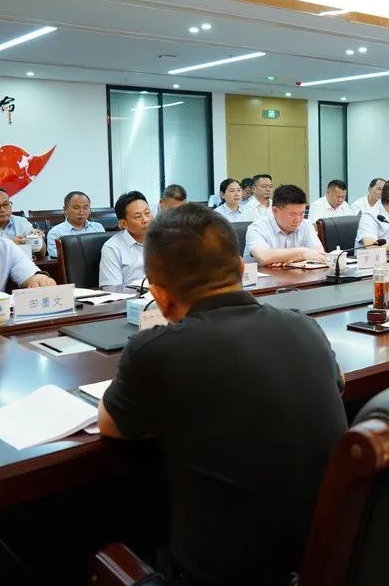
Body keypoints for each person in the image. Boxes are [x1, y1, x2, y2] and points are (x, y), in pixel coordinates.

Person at [98, 204, 347, 585]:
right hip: (327, 559)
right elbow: (339, 382)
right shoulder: (303, 327)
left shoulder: (156, 350)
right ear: (242, 270)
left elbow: (110, 424)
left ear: (159, 296)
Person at [245, 185, 329, 267]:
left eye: (301, 213)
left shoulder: (306, 225)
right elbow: (264, 257)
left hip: (296, 275)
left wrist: (284, 258)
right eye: (292, 214)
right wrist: (302, 253)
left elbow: (319, 255)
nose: (298, 219)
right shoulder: (257, 228)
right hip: (261, 276)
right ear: (275, 211)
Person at [99, 191, 152, 289]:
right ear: (123, 224)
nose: (146, 220)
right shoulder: (112, 248)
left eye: (147, 213)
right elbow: (112, 290)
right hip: (134, 297)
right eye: (138, 216)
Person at [0, 186, 45, 257]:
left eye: (6, 204)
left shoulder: (21, 222)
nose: (3, 210)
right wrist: (10, 245)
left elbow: (41, 254)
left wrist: (38, 239)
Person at [45, 191, 105, 258]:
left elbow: (105, 251)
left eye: (85, 208)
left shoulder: (98, 228)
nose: (81, 212)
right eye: (76, 208)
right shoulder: (55, 233)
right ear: (65, 210)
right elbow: (55, 255)